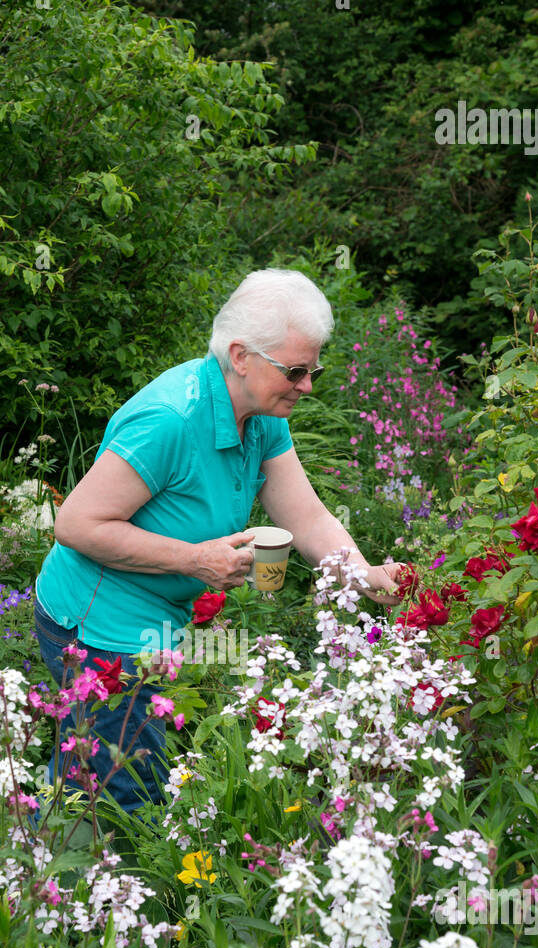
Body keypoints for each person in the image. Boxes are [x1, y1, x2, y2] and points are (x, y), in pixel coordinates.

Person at [32, 267, 402, 820]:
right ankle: (59, 886)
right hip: (95, 624)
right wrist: (195, 560)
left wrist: (368, 576)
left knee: (109, 776)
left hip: (157, 624)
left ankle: (49, 859)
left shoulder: (260, 415)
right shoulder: (170, 419)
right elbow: (78, 525)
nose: (307, 385)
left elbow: (305, 515)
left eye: (313, 369)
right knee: (120, 796)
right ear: (241, 355)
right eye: (296, 371)